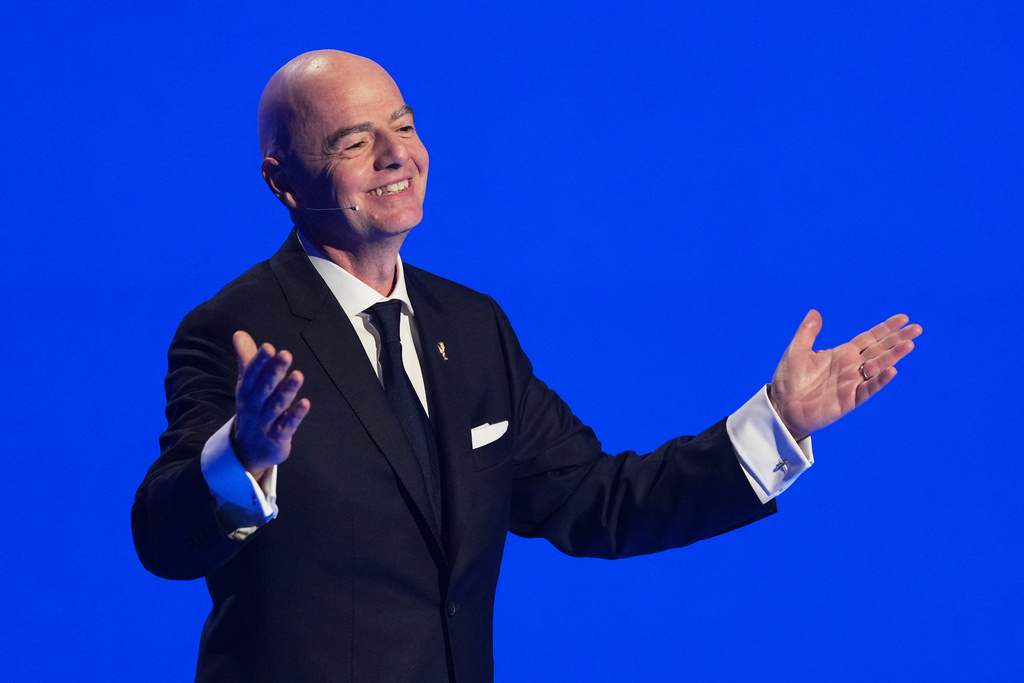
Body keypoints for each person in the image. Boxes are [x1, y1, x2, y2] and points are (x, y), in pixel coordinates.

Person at [132, 50, 921, 682]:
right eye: (354, 141)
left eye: (403, 124)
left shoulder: (472, 326)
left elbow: (596, 499)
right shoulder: (235, 331)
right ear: (281, 180)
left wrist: (777, 422)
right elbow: (163, 539)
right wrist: (244, 457)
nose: (397, 155)